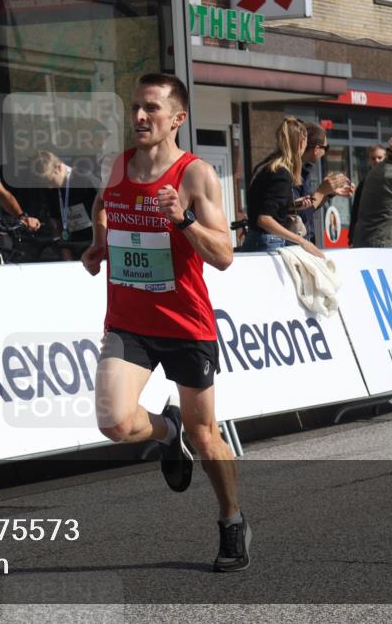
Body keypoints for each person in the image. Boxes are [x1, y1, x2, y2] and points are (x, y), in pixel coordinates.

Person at [81, 73, 248, 571]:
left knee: (205, 436)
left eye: (151, 109)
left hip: (185, 324)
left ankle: (232, 520)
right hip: (128, 322)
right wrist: (98, 242)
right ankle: (163, 430)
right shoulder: (118, 166)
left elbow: (225, 256)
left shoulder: (195, 176)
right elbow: (103, 205)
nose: (139, 117)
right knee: (113, 422)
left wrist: (183, 220)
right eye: (135, 107)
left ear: (178, 118)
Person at [241, 117, 325, 258]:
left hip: (259, 240)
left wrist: (292, 206)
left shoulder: (270, 166)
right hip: (267, 242)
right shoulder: (282, 173)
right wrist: (301, 241)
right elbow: (264, 219)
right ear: (301, 143)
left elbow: (264, 208)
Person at [29, 150, 98, 260]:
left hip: (94, 244)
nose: (49, 187)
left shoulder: (86, 180)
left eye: (50, 181)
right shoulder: (50, 189)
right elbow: (58, 221)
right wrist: (66, 253)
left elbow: (106, 212)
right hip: (72, 246)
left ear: (59, 168)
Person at [293, 122, 353, 244]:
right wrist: (322, 191)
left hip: (302, 241)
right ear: (316, 149)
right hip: (294, 244)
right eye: (326, 148)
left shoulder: (304, 170)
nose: (325, 153)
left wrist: (328, 193)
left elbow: (308, 207)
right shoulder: (291, 171)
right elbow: (299, 215)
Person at [349, 144, 386, 245]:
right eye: (373, 158)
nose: (377, 161)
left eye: (380, 158)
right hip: (369, 236)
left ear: (385, 158)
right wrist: (351, 238)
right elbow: (356, 211)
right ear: (369, 161)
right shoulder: (364, 182)